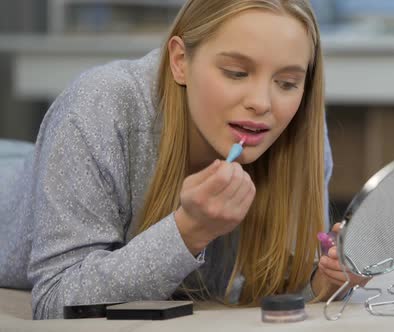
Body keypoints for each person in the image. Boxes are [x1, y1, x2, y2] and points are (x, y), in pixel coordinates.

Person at [0, 0, 367, 320]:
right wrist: (189, 231)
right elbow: (55, 302)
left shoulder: (297, 128)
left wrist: (324, 280)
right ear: (180, 60)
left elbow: (281, 284)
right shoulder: (98, 106)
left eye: (287, 83)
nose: (263, 103)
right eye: (237, 73)